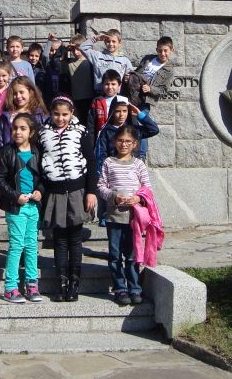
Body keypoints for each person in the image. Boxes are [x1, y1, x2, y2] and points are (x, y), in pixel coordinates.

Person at [38, 95, 97, 302]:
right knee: (59, 238)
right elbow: (41, 162)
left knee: (75, 237)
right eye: (56, 114)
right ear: (50, 113)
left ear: (71, 113)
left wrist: (91, 191)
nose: (60, 118)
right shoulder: (43, 133)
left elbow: (91, 161)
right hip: (54, 192)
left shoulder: (81, 132)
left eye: (65, 114)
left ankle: (74, 281)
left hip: (77, 191)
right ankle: (61, 281)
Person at [97, 125, 152, 306]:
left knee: (132, 255)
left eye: (128, 141)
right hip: (114, 217)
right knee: (115, 255)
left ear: (135, 144)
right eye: (120, 140)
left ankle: (135, 287)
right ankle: (120, 288)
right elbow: (101, 186)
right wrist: (113, 196)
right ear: (115, 142)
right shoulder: (108, 162)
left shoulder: (138, 164)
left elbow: (147, 188)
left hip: (134, 218)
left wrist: (138, 198)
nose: (124, 144)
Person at [0, 113, 44, 303]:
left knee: (31, 246)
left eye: (23, 128)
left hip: (33, 206)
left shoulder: (37, 151)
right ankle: (10, 287)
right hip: (16, 207)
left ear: (31, 132)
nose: (17, 132)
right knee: (16, 245)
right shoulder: (7, 152)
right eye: (15, 128)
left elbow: (43, 177)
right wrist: (15, 196)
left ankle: (32, 284)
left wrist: (40, 191)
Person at [93, 98, 159, 226]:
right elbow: (101, 154)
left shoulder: (134, 130)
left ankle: (136, 219)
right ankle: (106, 217)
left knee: (132, 198)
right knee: (113, 197)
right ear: (112, 112)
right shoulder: (106, 131)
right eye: (117, 111)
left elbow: (154, 129)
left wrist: (140, 115)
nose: (121, 114)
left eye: (124, 111)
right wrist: (102, 172)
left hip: (131, 171)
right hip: (114, 172)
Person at [0, 76, 48, 149]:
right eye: (15, 93)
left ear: (30, 92)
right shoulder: (6, 117)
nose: (18, 96)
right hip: (10, 155)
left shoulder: (40, 116)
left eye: (21, 92)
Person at [79, 29, 133, 94]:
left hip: (117, 95)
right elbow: (82, 48)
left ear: (119, 43)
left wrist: (128, 78)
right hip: (100, 94)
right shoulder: (97, 56)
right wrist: (96, 39)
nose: (111, 44)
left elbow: (131, 77)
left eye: (114, 41)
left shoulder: (125, 60)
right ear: (104, 42)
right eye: (108, 41)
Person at [128, 36, 175, 110]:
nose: (162, 53)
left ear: (171, 50)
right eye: (160, 51)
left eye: (165, 50)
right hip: (131, 91)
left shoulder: (169, 71)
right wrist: (129, 77)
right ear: (156, 50)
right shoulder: (148, 58)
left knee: (142, 116)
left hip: (144, 98)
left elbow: (163, 90)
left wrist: (150, 89)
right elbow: (137, 72)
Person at [62, 34, 94, 125]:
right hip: (75, 99)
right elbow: (57, 61)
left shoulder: (90, 61)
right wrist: (65, 48)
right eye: (73, 49)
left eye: (78, 49)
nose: (75, 52)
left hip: (89, 97)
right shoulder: (69, 62)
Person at [86, 69, 124, 139]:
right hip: (101, 139)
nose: (110, 87)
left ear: (119, 85)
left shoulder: (124, 101)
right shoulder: (97, 102)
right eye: (107, 84)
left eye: (113, 84)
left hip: (120, 139)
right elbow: (91, 125)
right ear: (102, 85)